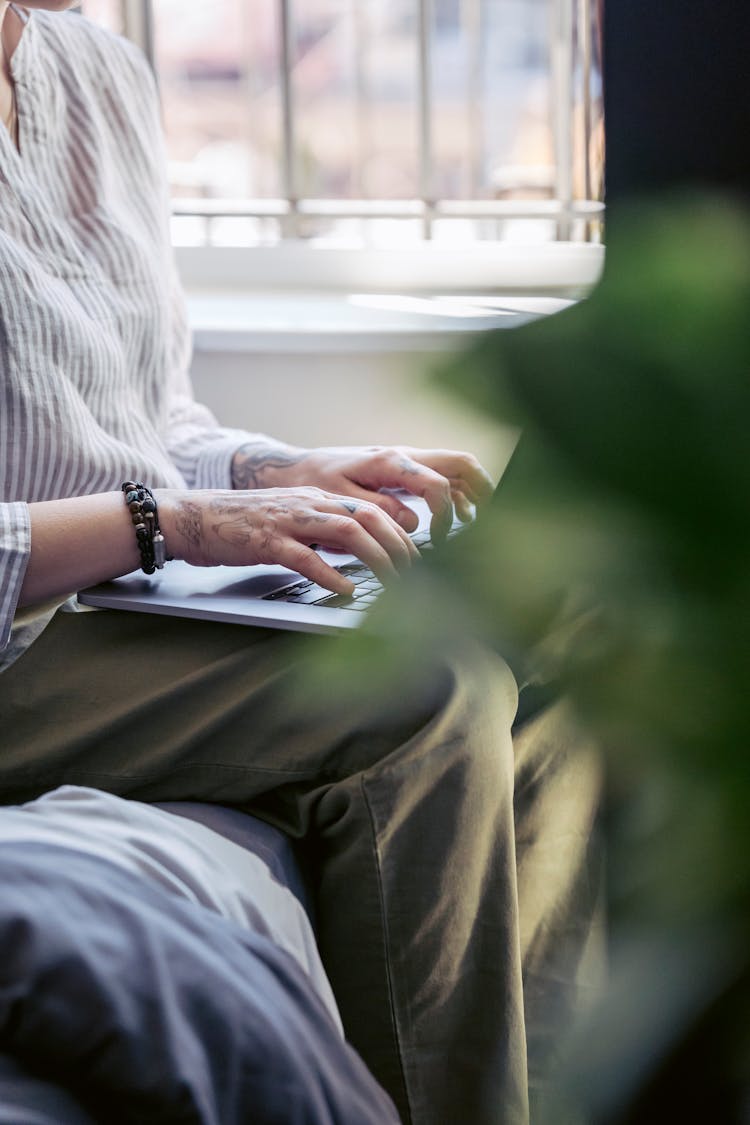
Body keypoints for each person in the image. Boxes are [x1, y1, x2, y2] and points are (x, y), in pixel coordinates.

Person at [0, 4, 602, 1123]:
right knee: (427, 697)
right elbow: (141, 495)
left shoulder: (98, 74)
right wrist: (164, 523)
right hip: (18, 641)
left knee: (554, 644)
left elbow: (142, 414)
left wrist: (276, 473)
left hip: (127, 585)